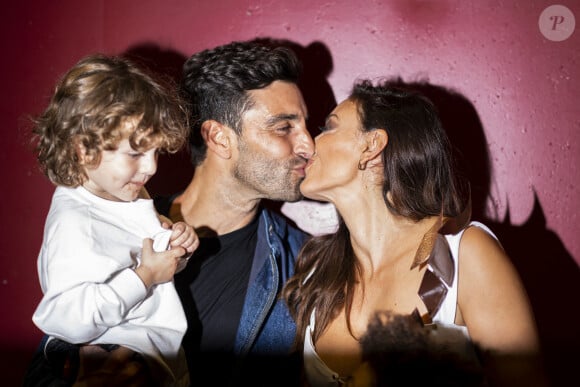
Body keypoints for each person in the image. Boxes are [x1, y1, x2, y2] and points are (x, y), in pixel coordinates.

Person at [283, 80, 549, 386]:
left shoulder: (464, 256)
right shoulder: (316, 273)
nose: (308, 143)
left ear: (372, 146)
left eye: (328, 127)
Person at [26, 54, 199, 386]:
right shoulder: (73, 222)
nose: (151, 168)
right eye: (135, 154)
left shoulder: (127, 190)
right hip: (109, 357)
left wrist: (176, 250)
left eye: (156, 152)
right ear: (82, 149)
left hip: (156, 355)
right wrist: (145, 276)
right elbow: (67, 316)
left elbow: (143, 256)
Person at [152, 40, 314, 386]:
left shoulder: (305, 266)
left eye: (304, 126)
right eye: (284, 127)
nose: (308, 145)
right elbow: (46, 365)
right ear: (219, 137)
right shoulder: (122, 226)